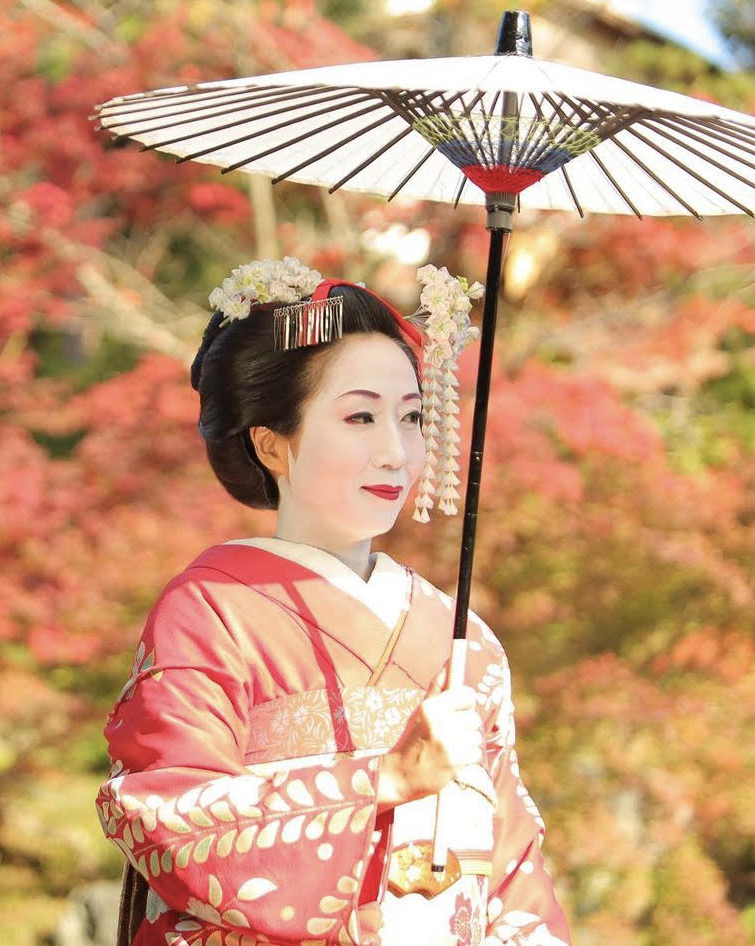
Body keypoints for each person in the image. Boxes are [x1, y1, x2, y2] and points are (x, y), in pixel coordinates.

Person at [96, 257, 571, 946]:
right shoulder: (211, 611)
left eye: (410, 418)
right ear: (271, 445)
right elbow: (163, 814)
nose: (394, 453)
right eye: (358, 417)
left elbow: (512, 868)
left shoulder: (463, 639)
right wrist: (380, 779)